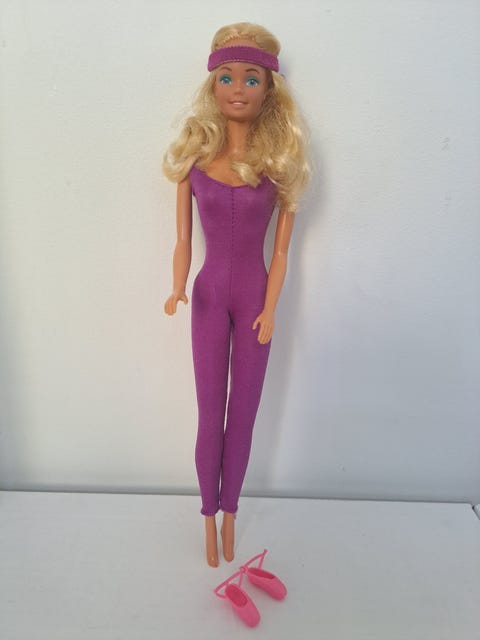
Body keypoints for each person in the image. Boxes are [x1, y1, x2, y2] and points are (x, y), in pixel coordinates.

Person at [163, 22, 310, 567]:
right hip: (206, 297)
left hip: (254, 303)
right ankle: (207, 515)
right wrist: (177, 286)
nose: (238, 88)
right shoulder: (193, 162)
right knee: (210, 413)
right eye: (226, 77)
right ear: (213, 84)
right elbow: (183, 239)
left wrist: (270, 308)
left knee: (243, 413)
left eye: (252, 78)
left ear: (269, 88)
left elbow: (281, 253)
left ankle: (232, 513)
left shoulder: (279, 167)